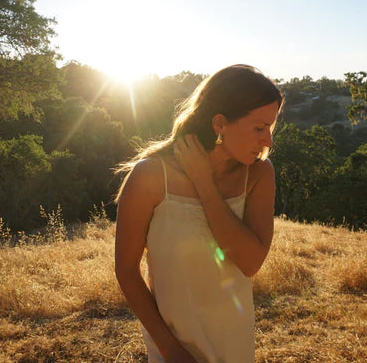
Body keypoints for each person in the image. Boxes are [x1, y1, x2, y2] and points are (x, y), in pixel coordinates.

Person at [114, 64, 283, 363]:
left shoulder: (258, 175)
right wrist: (171, 350)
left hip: (234, 344)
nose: (268, 141)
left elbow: (250, 262)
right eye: (259, 128)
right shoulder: (151, 176)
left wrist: (205, 184)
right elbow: (126, 271)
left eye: (270, 128)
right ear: (220, 123)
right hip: (173, 348)